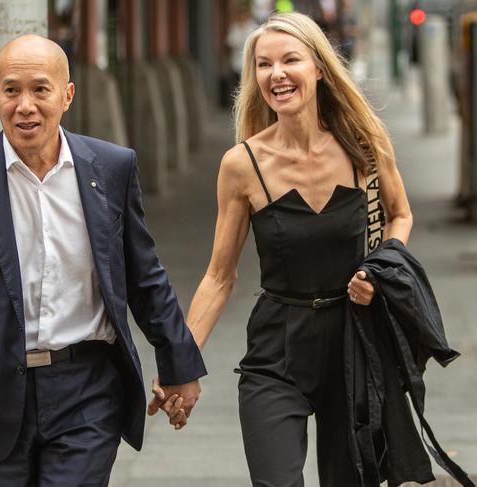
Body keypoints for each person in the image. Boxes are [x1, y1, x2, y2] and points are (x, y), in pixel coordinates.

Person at [0, 34, 205, 487]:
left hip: (87, 389)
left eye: (40, 89)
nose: (25, 106)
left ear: (67, 94)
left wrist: (181, 366)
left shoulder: (111, 168)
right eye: (12, 90)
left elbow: (144, 277)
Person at [161, 12, 413, 486]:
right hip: (276, 350)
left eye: (290, 60)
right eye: (263, 64)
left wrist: (382, 267)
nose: (276, 73)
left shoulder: (365, 146)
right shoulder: (242, 165)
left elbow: (400, 214)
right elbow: (219, 276)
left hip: (352, 345)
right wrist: (181, 362)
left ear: (319, 67)